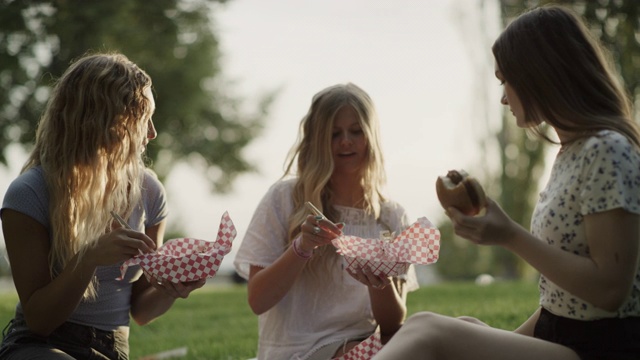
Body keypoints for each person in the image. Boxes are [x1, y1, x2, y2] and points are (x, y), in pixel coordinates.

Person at [373, 5, 640, 360]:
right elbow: (561, 302)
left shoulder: (607, 150)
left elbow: (609, 290)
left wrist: (510, 236)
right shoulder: (570, 154)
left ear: (539, 75)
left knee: (427, 329)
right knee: (465, 325)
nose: (502, 97)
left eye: (505, 80)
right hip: (563, 338)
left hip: (602, 348)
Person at [0, 52, 205, 360]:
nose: (152, 132)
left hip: (112, 350)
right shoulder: (30, 193)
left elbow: (141, 310)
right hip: (42, 346)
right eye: (143, 118)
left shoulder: (148, 191)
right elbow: (39, 321)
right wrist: (89, 257)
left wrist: (170, 288)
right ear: (107, 121)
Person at [234, 82, 418, 360]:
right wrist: (301, 248)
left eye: (356, 131)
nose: (346, 140)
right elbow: (257, 301)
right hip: (301, 351)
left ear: (371, 135)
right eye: (334, 134)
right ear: (317, 140)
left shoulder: (392, 216)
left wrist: (378, 282)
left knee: (438, 334)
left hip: (366, 347)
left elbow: (392, 324)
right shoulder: (285, 199)